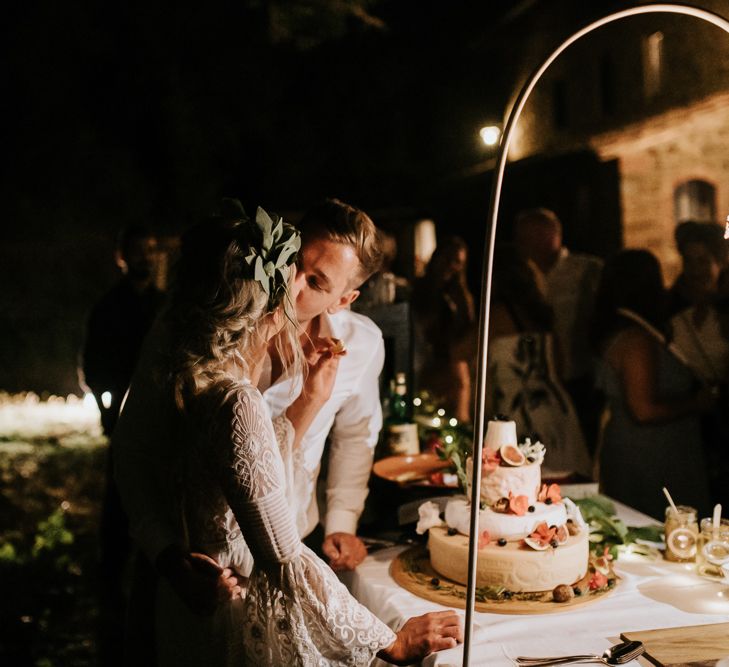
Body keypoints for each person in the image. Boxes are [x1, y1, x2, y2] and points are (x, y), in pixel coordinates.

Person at [113, 203, 462, 665]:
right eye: (293, 265)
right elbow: (139, 449)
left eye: (316, 282)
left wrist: (341, 521)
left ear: (343, 299)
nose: (291, 286)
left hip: (293, 554)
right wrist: (166, 555)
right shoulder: (194, 341)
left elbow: (346, 440)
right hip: (200, 565)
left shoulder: (359, 344)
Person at [80, 224, 164, 665]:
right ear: (122, 257)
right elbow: (94, 365)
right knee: (119, 506)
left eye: (150, 249)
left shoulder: (165, 307)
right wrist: (109, 411)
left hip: (160, 427)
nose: (145, 257)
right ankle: (110, 588)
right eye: (137, 250)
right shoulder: (110, 308)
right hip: (124, 424)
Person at [592, 249, 713, 520]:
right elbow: (643, 409)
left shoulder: (629, 329)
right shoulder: (636, 340)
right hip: (651, 454)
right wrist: (697, 403)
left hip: (646, 448)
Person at [486, 245, 591, 477]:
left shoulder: (498, 315)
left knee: (523, 481)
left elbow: (458, 351)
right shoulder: (543, 316)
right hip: (555, 408)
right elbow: (561, 367)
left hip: (518, 411)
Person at [514, 208, 603, 452]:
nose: (525, 244)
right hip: (536, 379)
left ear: (553, 235)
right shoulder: (521, 278)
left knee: (581, 447)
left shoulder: (586, 269)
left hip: (578, 377)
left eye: (532, 236)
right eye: (522, 238)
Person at [412, 235, 476, 422]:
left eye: (458, 262)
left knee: (458, 417)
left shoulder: (461, 294)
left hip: (455, 363)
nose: (452, 265)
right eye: (448, 259)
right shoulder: (421, 289)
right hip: (426, 361)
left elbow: (469, 329)